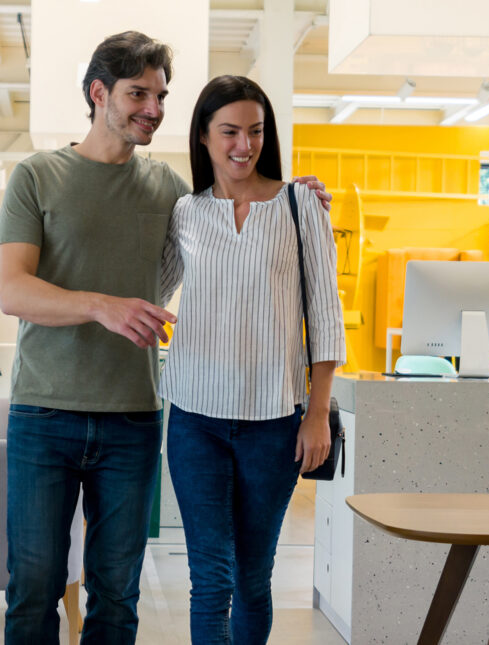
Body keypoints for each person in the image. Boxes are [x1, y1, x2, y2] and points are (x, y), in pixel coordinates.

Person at [0, 32, 330, 644]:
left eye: (161, 95)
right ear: (99, 93)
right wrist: (100, 306)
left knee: (117, 592)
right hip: (44, 414)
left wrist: (294, 199)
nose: (153, 107)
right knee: (34, 586)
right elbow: (9, 289)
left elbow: (227, 229)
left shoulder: (173, 195)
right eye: (138, 93)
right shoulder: (37, 175)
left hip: (135, 417)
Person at [158, 75, 344, 644]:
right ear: (205, 137)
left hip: (275, 423)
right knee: (209, 578)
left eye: (256, 131)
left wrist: (317, 415)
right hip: (195, 419)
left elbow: (326, 316)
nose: (244, 145)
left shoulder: (300, 205)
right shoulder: (185, 211)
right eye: (230, 131)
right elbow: (153, 288)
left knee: (253, 576)